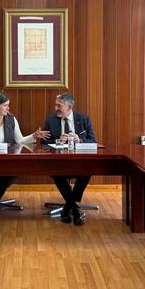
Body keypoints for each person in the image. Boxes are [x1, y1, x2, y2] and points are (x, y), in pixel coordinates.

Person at [36, 93, 97, 226]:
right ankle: (75, 209)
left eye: (59, 105)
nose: (55, 108)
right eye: (55, 105)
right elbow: (44, 143)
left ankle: (68, 207)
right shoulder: (50, 119)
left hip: (79, 162)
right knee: (56, 173)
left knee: (88, 171)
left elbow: (93, 141)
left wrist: (80, 140)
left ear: (69, 107)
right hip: (59, 162)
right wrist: (58, 141)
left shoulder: (83, 119)